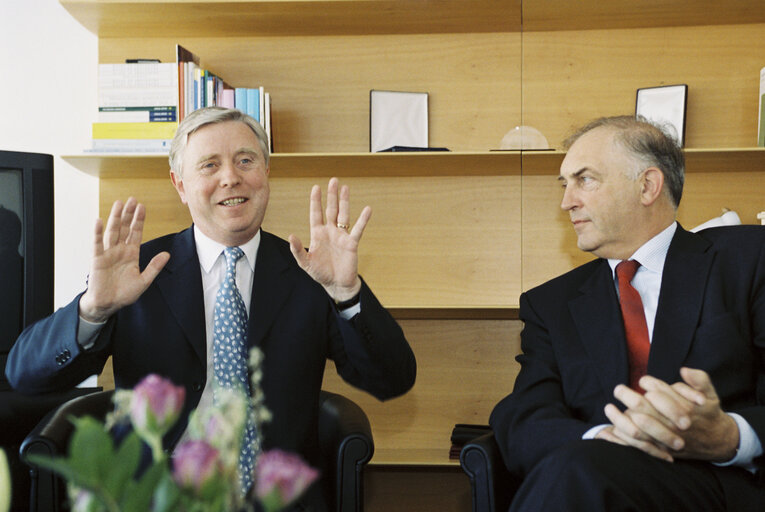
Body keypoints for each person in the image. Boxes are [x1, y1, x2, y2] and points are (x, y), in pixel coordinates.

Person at [6, 106, 416, 509]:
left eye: (245, 160)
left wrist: (346, 292)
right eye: (208, 165)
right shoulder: (138, 271)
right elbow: (26, 377)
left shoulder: (309, 272)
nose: (230, 177)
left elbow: (392, 379)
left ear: (266, 172)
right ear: (180, 184)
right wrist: (93, 310)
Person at [489, 116, 765, 511]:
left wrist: (730, 436)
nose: (567, 201)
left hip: (721, 485)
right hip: (594, 478)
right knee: (578, 468)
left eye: (585, 180)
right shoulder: (551, 304)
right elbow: (524, 415)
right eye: (564, 184)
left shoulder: (747, 260)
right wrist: (599, 439)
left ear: (648, 186)